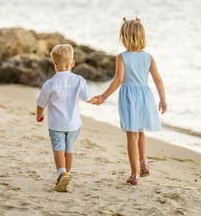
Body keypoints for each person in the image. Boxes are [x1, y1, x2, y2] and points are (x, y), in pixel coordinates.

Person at [96, 17, 167, 185]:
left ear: (125, 38)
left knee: (131, 135)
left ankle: (135, 174)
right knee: (141, 132)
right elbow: (158, 79)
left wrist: (104, 96)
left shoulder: (122, 57)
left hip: (129, 97)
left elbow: (118, 80)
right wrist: (163, 99)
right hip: (145, 96)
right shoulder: (149, 57)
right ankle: (144, 161)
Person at [36, 44, 97, 192]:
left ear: (55, 64)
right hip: (74, 125)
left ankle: (61, 173)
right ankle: (66, 175)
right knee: (68, 150)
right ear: (73, 63)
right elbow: (89, 98)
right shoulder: (79, 80)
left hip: (57, 124)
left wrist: (39, 115)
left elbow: (40, 103)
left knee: (58, 149)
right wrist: (99, 100)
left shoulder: (50, 84)